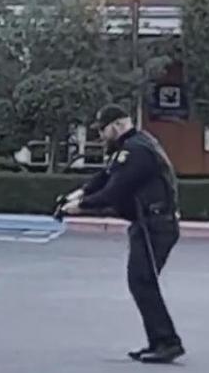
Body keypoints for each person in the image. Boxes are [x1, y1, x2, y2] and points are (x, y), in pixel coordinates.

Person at [59, 104, 184, 364]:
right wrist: (76, 194)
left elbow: (115, 191)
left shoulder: (136, 151)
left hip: (155, 225)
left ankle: (167, 343)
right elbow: (105, 177)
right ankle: (160, 341)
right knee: (141, 282)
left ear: (117, 125)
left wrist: (79, 207)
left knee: (142, 281)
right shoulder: (132, 147)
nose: (101, 136)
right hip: (149, 223)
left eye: (103, 130)